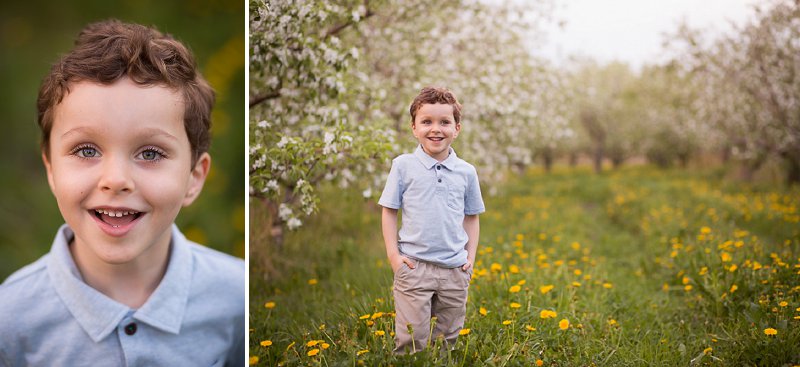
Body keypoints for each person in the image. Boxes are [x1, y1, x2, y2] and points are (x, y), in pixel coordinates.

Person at [0, 20, 244, 366]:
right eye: (86, 150)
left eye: (150, 153)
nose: (116, 180)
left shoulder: (237, 298)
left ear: (194, 177)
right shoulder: (10, 319)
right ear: (51, 170)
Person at [378, 86, 485, 354]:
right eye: (426, 121)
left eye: (444, 122)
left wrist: (470, 258)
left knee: (447, 341)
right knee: (411, 340)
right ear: (414, 128)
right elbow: (389, 210)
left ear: (457, 128)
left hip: (455, 269)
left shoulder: (466, 172)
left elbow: (471, 217)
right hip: (415, 266)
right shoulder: (403, 166)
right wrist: (394, 256)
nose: (435, 129)